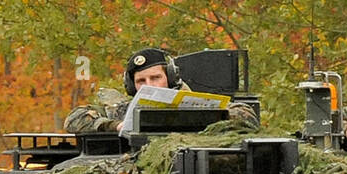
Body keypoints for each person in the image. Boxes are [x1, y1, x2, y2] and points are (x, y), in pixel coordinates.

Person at [64, 47, 257, 133]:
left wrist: (208, 117)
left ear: (170, 78)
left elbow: (246, 115)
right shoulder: (122, 111)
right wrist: (115, 126)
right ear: (132, 86)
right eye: (141, 80)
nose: (149, 85)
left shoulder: (193, 101)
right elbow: (75, 118)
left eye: (156, 77)